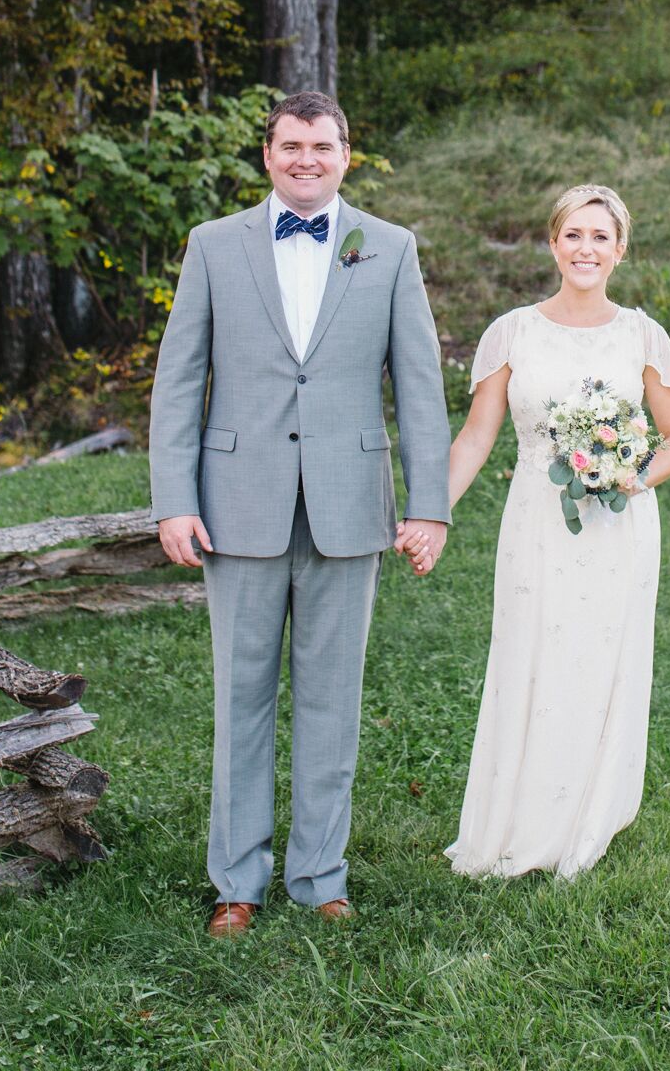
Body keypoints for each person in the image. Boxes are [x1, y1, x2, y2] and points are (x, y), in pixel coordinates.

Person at [150, 91, 451, 934]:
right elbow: (179, 379)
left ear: (346, 154)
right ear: (267, 153)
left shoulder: (389, 249)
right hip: (234, 505)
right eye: (290, 145)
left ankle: (321, 876)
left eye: (321, 146)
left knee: (331, 700)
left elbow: (419, 388)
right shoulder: (214, 246)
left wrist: (429, 506)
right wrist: (173, 498)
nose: (305, 159)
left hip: (348, 506)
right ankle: (236, 882)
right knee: (239, 698)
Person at [399, 182, 670, 879]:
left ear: (619, 250)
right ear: (551, 243)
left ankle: (586, 813)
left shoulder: (641, 334)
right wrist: (428, 512)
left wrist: (627, 476)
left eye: (599, 237)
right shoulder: (514, 332)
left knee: (600, 659)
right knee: (531, 657)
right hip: (535, 519)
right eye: (572, 235)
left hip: (618, 528)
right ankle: (517, 819)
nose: (584, 248)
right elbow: (474, 439)